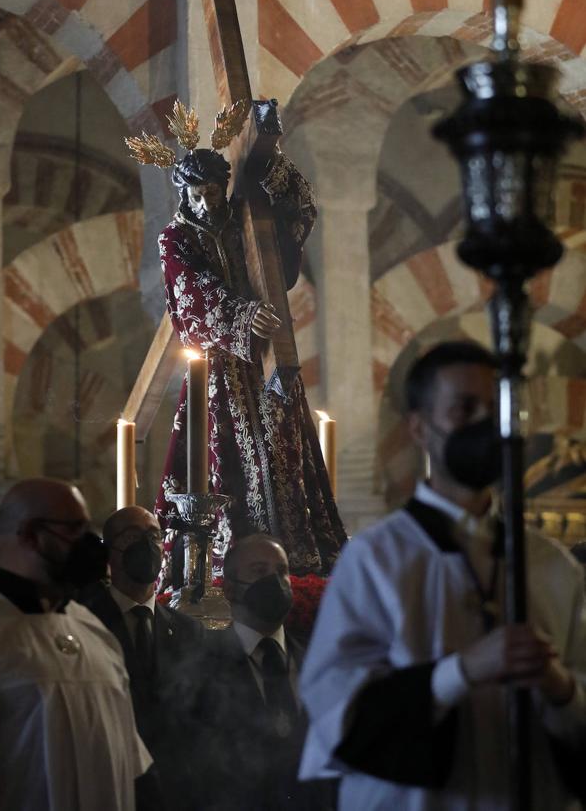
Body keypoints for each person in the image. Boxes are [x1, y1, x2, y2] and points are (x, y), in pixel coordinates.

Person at [299, 341, 586, 810]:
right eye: (463, 408)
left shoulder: (551, 564)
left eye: (495, 409)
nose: (484, 425)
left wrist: (559, 686)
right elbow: (339, 715)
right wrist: (461, 671)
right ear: (419, 428)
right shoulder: (374, 560)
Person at [154, 145, 346, 578]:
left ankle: (296, 556)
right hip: (220, 371)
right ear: (184, 193)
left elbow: (295, 219)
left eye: (212, 191)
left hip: (270, 362)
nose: (205, 202)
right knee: (224, 457)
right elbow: (188, 294)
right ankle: (221, 563)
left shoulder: (246, 220)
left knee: (285, 451)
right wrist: (241, 316)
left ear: (224, 186)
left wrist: (269, 154)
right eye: (196, 194)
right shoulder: (176, 237)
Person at [0, 478, 158, 811]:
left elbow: (134, 767)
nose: (91, 546)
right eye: (74, 530)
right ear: (32, 534)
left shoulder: (93, 629)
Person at [181, 533, 336, 810]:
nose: (274, 581)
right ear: (229, 589)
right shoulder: (202, 665)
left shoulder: (317, 662)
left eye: (282, 571)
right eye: (259, 571)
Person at [81, 505, 204, 809]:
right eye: (132, 536)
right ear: (109, 551)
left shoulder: (188, 630)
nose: (146, 545)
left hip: (175, 788)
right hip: (111, 781)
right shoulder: (85, 621)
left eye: (154, 536)